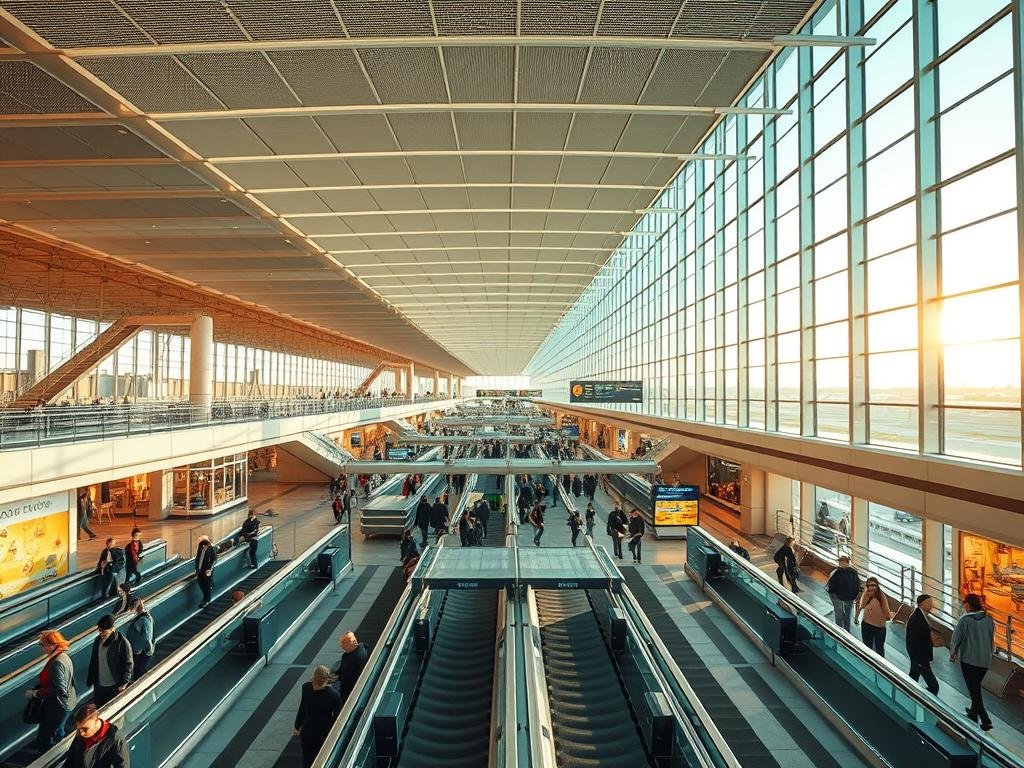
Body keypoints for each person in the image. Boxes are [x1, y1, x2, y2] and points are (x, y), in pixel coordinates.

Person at [950, 593, 996, 731]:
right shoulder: (989, 619)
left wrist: (952, 653)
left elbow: (956, 638)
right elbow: (991, 638)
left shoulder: (965, 619)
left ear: (968, 605)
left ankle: (986, 720)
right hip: (984, 661)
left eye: (964, 603)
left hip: (969, 659)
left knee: (974, 690)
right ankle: (973, 714)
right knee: (976, 686)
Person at [26, 630, 77, 753]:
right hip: (67, 702)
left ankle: (51, 756)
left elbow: (60, 690)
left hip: (59, 706)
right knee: (58, 731)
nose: (40, 648)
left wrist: (35, 693)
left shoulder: (57, 663)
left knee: (47, 736)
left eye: (42, 645)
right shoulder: (64, 656)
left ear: (52, 645)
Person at [294, 665, 342, 768]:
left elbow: (303, 708)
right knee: (321, 756)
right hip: (324, 731)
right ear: (326, 679)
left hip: (308, 730)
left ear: (313, 677)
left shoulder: (306, 688)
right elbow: (337, 717)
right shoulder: (334, 695)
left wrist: (297, 725)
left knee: (307, 757)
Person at [64, 703, 130, 768]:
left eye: (85, 729)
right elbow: (70, 760)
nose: (82, 733)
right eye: (79, 729)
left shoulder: (116, 740)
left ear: (96, 721)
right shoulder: (81, 735)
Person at [86, 614, 133, 707]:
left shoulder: (122, 642)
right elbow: (94, 661)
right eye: (99, 630)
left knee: (113, 709)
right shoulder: (98, 641)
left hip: (114, 685)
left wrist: (124, 683)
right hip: (99, 685)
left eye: (103, 631)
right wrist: (91, 678)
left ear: (112, 628)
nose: (101, 633)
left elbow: (128, 663)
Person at [906, 594, 940, 696]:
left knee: (913, 680)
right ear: (922, 604)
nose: (931, 605)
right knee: (934, 686)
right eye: (929, 603)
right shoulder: (916, 619)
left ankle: (909, 697)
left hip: (918, 657)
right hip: (920, 657)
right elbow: (913, 640)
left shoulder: (921, 616)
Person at [854, 577, 891, 657]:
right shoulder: (865, 594)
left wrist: (887, 617)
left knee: (879, 649)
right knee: (867, 647)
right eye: (869, 585)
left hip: (879, 627)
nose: (871, 587)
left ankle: (881, 667)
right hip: (867, 625)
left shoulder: (882, 597)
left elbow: (887, 613)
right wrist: (856, 617)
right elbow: (860, 606)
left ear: (877, 585)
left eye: (873, 585)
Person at [825, 555, 862, 632]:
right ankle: (847, 631)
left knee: (839, 614)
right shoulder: (854, 572)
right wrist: (855, 595)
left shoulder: (837, 572)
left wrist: (832, 594)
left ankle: (839, 631)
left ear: (843, 562)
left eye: (840, 562)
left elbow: (831, 585)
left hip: (838, 597)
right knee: (847, 615)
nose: (839, 563)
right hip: (850, 598)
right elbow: (857, 584)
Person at [333, 632, 369, 706]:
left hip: (350, 691)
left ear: (352, 644)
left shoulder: (356, 658)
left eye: (344, 646)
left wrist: (335, 677)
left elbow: (347, 676)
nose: (343, 648)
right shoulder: (357, 651)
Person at [123, 598, 155, 681]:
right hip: (140, 652)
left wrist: (139, 651)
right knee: (138, 671)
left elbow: (146, 638)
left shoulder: (143, 620)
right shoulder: (142, 617)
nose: (130, 610)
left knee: (139, 672)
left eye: (131, 608)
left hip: (141, 653)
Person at [195, 535, 217, 608]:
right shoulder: (201, 548)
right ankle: (211, 584)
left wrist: (209, 569)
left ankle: (206, 600)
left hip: (206, 570)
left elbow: (214, 559)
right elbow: (198, 559)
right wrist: (197, 569)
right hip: (200, 570)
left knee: (205, 585)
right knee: (201, 584)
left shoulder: (210, 548)